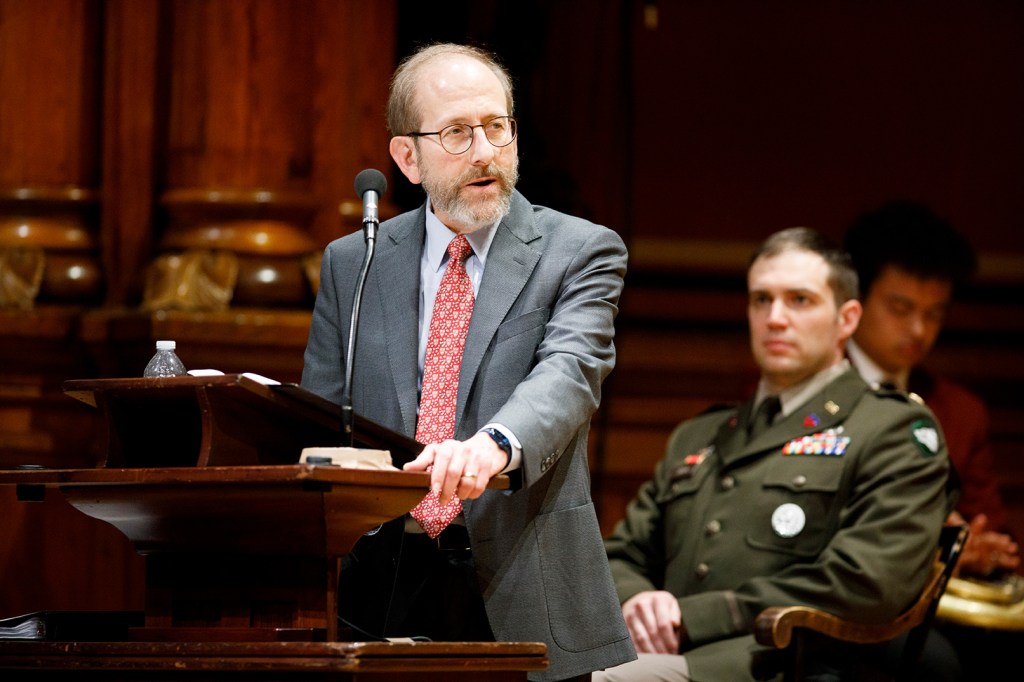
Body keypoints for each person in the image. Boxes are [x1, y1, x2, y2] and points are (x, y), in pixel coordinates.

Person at [300, 43, 635, 682]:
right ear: (407, 157)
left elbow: (569, 372)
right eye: (456, 132)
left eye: (497, 127)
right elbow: (319, 417)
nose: (484, 151)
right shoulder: (356, 262)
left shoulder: (578, 251)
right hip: (375, 581)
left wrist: (491, 446)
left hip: (520, 584)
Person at [595, 227, 951, 681]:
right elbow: (621, 552)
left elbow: (866, 582)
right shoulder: (701, 433)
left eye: (799, 300)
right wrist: (639, 600)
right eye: (761, 300)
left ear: (847, 318)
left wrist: (696, 616)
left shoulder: (892, 429)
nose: (775, 318)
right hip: (658, 650)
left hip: (780, 662)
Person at [844, 199, 1019, 579]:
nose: (919, 330)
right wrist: (934, 546)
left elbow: (990, 526)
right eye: (900, 308)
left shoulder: (960, 410)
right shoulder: (804, 385)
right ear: (854, 300)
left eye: (934, 313)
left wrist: (985, 549)